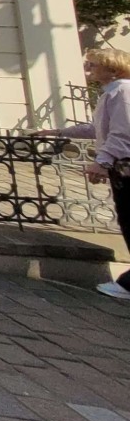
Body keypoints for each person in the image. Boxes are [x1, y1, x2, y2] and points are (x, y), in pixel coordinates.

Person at [82, 47, 130, 299]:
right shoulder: (111, 93)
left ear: (112, 69)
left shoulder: (122, 91)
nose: (88, 69)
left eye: (93, 65)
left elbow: (123, 133)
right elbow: (97, 129)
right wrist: (57, 133)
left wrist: (102, 162)